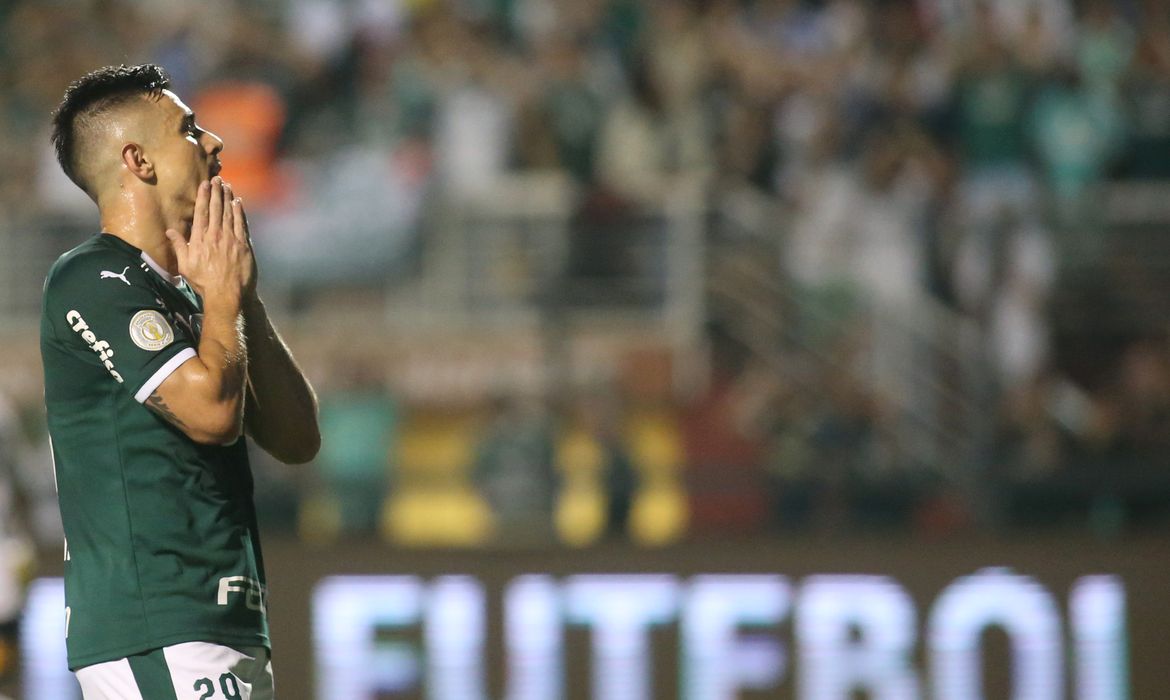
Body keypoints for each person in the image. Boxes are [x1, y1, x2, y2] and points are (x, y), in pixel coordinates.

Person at [41, 64, 320, 699]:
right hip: (157, 624)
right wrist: (220, 299)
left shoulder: (196, 298)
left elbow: (299, 438)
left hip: (223, 623)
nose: (215, 143)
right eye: (189, 129)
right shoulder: (93, 278)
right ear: (137, 160)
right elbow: (212, 414)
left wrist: (241, 299)